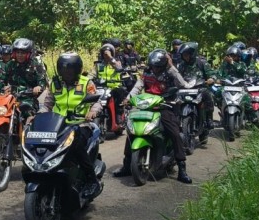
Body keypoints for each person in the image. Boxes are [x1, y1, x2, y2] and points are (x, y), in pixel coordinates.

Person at [113, 49, 192, 184]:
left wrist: (171, 67)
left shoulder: (170, 72)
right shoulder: (147, 73)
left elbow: (182, 84)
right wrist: (128, 98)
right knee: (132, 131)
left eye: (158, 66)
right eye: (153, 66)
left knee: (174, 133)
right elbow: (138, 87)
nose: (155, 69)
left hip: (166, 106)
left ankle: (182, 169)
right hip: (147, 105)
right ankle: (127, 165)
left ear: (164, 64)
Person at [41, 52, 103, 198]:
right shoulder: (55, 83)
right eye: (63, 69)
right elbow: (47, 104)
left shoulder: (86, 83)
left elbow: (97, 102)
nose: (67, 72)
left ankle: (92, 180)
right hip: (57, 125)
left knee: (76, 144)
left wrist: (92, 112)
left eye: (70, 69)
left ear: (77, 69)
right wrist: (38, 115)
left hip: (81, 124)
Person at [175, 43, 217, 144]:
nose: (185, 57)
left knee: (209, 95)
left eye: (186, 54)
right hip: (185, 89)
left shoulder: (202, 63)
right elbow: (177, 76)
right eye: (183, 55)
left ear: (192, 54)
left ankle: (209, 119)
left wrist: (211, 79)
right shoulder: (181, 65)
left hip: (200, 88)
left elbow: (211, 74)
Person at [3, 37, 48, 115]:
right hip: (11, 97)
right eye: (18, 52)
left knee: (28, 114)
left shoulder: (36, 65)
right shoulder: (10, 65)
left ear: (28, 54)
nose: (20, 55)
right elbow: (2, 79)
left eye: (23, 53)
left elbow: (42, 80)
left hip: (28, 98)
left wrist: (39, 87)